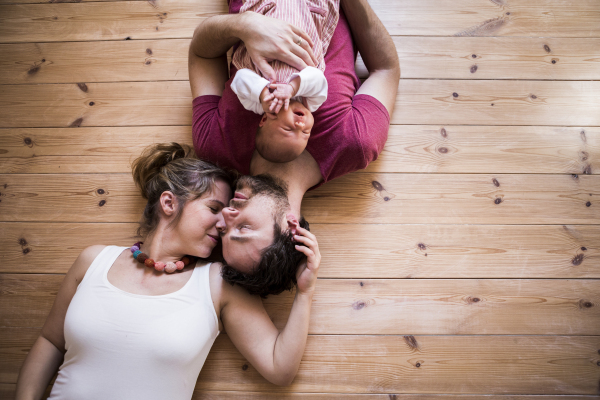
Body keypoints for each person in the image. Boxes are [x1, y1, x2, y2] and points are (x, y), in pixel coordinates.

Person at [15, 143, 321, 400]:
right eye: (214, 209)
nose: (224, 221)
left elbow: (279, 367)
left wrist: (305, 292)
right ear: (168, 203)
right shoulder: (93, 261)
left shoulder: (217, 284)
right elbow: (51, 342)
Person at [189, 0, 399, 291]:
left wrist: (244, 24)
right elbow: (386, 69)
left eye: (225, 230)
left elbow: (201, 52)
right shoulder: (355, 143)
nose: (225, 214)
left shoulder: (215, 146)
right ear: (291, 228)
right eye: (243, 228)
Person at [230, 0, 339, 163]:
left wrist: (262, 94)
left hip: (267, 10)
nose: (301, 125)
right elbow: (318, 80)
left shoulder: (258, 103)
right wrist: (293, 89)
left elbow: (239, 80)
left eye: (289, 129)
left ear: (265, 120)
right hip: (309, 12)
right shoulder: (310, 102)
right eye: (305, 133)